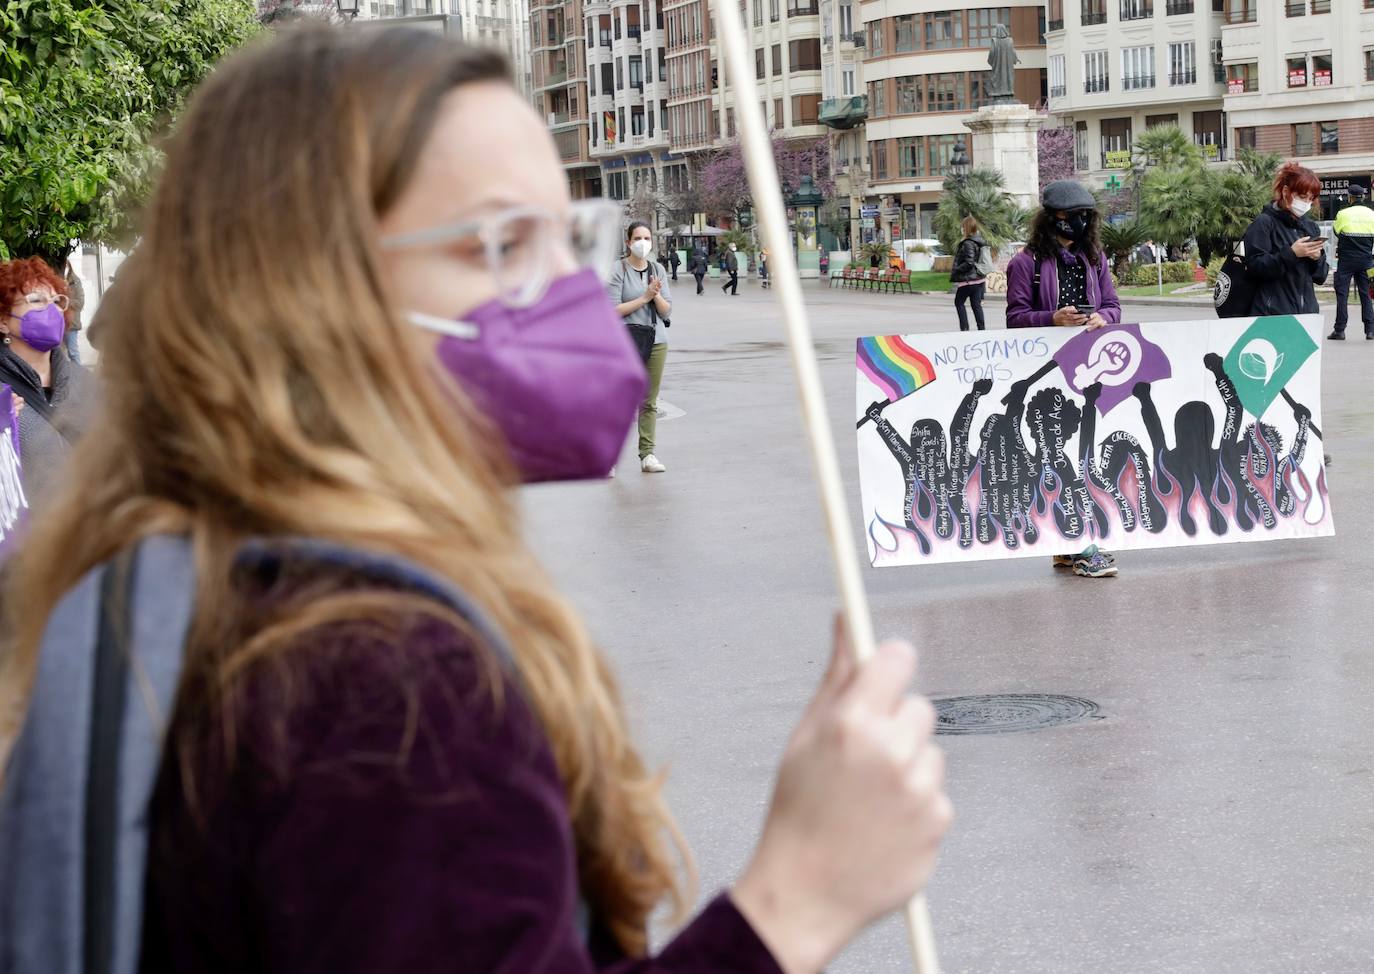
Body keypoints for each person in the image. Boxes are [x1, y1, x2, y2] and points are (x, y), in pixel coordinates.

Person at [0, 28, 951, 974]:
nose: (563, 291)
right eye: (499, 241)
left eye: (564, 237)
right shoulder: (384, 686)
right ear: (310, 290)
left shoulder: (156, 578)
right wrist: (797, 897)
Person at [1005, 179, 1121, 579]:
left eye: (1085, 217)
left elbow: (1113, 305)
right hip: (1045, 377)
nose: (1080, 223)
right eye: (1072, 217)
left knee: (1084, 454)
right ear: (1052, 219)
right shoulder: (1025, 263)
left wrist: (1104, 317)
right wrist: (1050, 319)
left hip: (1088, 371)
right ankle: (1080, 543)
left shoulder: (1095, 257)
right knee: (1059, 458)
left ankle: (1069, 544)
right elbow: (1014, 318)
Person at [0, 256, 98, 507]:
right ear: (3, 321)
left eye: (57, 301)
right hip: (27, 541)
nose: (52, 309)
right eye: (37, 300)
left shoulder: (86, 384)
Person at [609, 220, 672, 474]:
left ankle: (647, 454)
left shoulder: (657, 269)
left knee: (649, 401)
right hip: (625, 342)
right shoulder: (617, 270)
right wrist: (644, 297)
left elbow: (667, 309)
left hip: (656, 341)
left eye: (647, 238)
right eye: (638, 238)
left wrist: (655, 295)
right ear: (628, 242)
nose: (642, 243)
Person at [1241, 161, 1328, 319]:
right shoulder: (1264, 222)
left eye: (1311, 198)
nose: (1307, 203)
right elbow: (1255, 267)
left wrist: (1317, 258)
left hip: (1307, 315)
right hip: (1272, 314)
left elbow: (1321, 276)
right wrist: (1292, 253)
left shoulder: (1310, 227)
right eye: (1302, 197)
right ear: (1286, 191)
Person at [1328, 183, 1374, 340]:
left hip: (1346, 260)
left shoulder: (1343, 213)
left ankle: (1340, 330)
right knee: (1366, 295)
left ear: (1350, 197)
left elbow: (1336, 231)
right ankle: (1370, 331)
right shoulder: (1371, 214)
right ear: (1364, 196)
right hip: (1367, 261)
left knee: (1342, 295)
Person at [949, 216, 989, 332]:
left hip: (969, 280)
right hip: (978, 280)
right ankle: (981, 329)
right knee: (976, 305)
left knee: (959, 302)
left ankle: (964, 329)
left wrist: (957, 269)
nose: (962, 229)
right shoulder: (978, 241)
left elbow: (969, 262)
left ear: (966, 228)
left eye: (963, 226)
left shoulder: (968, 243)